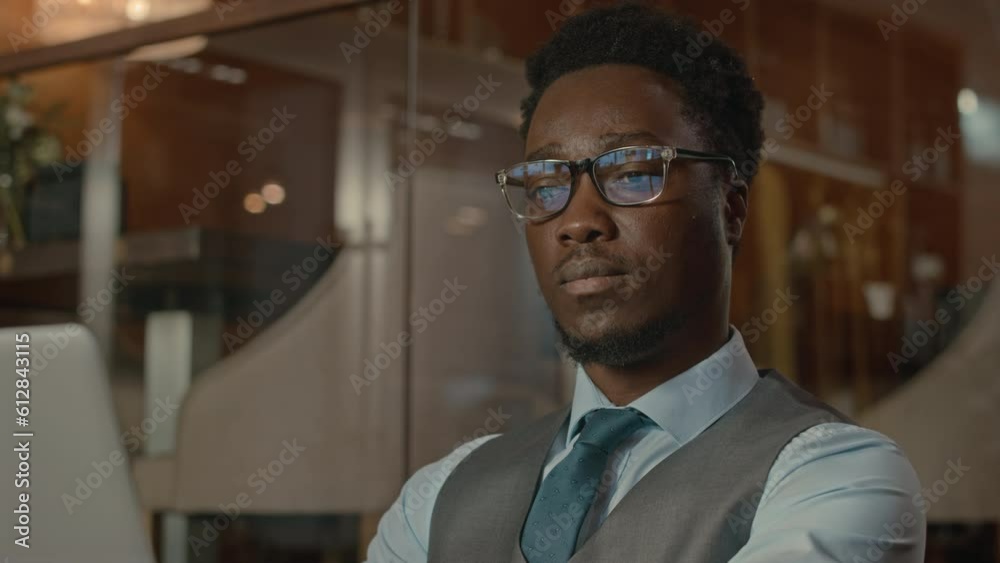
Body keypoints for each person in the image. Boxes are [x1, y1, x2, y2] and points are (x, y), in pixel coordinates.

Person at [366, 3, 925, 562]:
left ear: (730, 210)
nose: (578, 221)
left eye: (633, 173)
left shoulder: (835, 478)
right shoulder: (440, 495)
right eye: (544, 184)